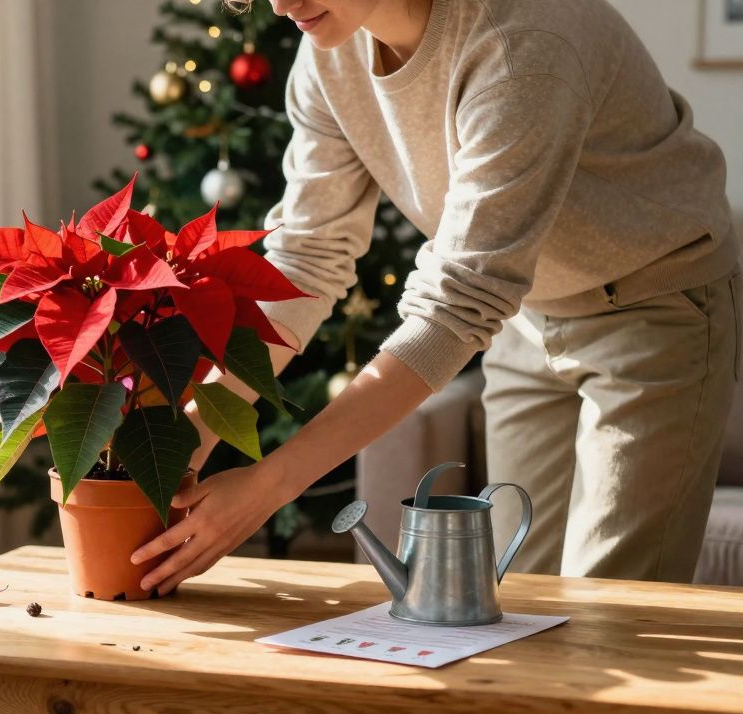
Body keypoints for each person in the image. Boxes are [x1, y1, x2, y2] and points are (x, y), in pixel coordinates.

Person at [132, 0, 740, 594]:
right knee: (516, 595)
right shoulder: (330, 51)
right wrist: (197, 428)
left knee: (612, 620)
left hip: (654, 309)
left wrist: (269, 485)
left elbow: (455, 306)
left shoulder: (520, 41)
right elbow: (306, 260)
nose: (282, 2)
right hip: (527, 317)